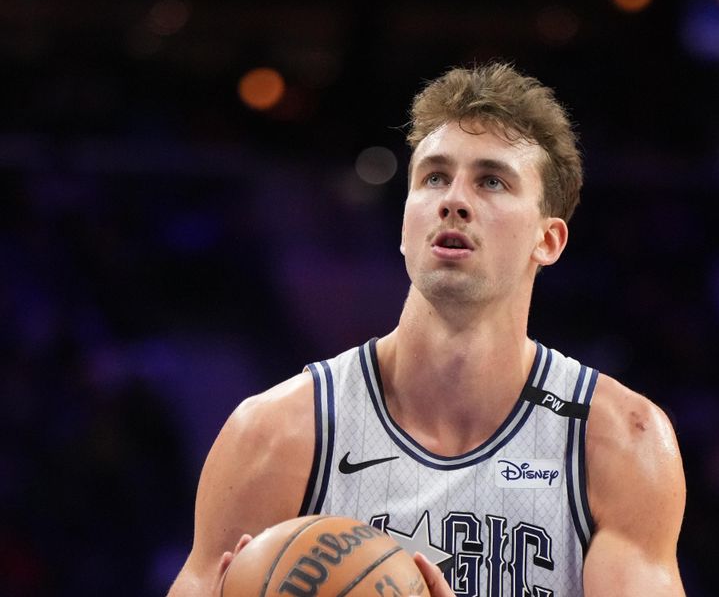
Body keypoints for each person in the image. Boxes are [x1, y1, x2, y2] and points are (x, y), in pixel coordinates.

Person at [168, 62, 686, 597]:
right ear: (405, 223)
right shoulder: (276, 435)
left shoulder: (619, 443)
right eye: (434, 176)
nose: (453, 200)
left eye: (492, 181)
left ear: (548, 240)